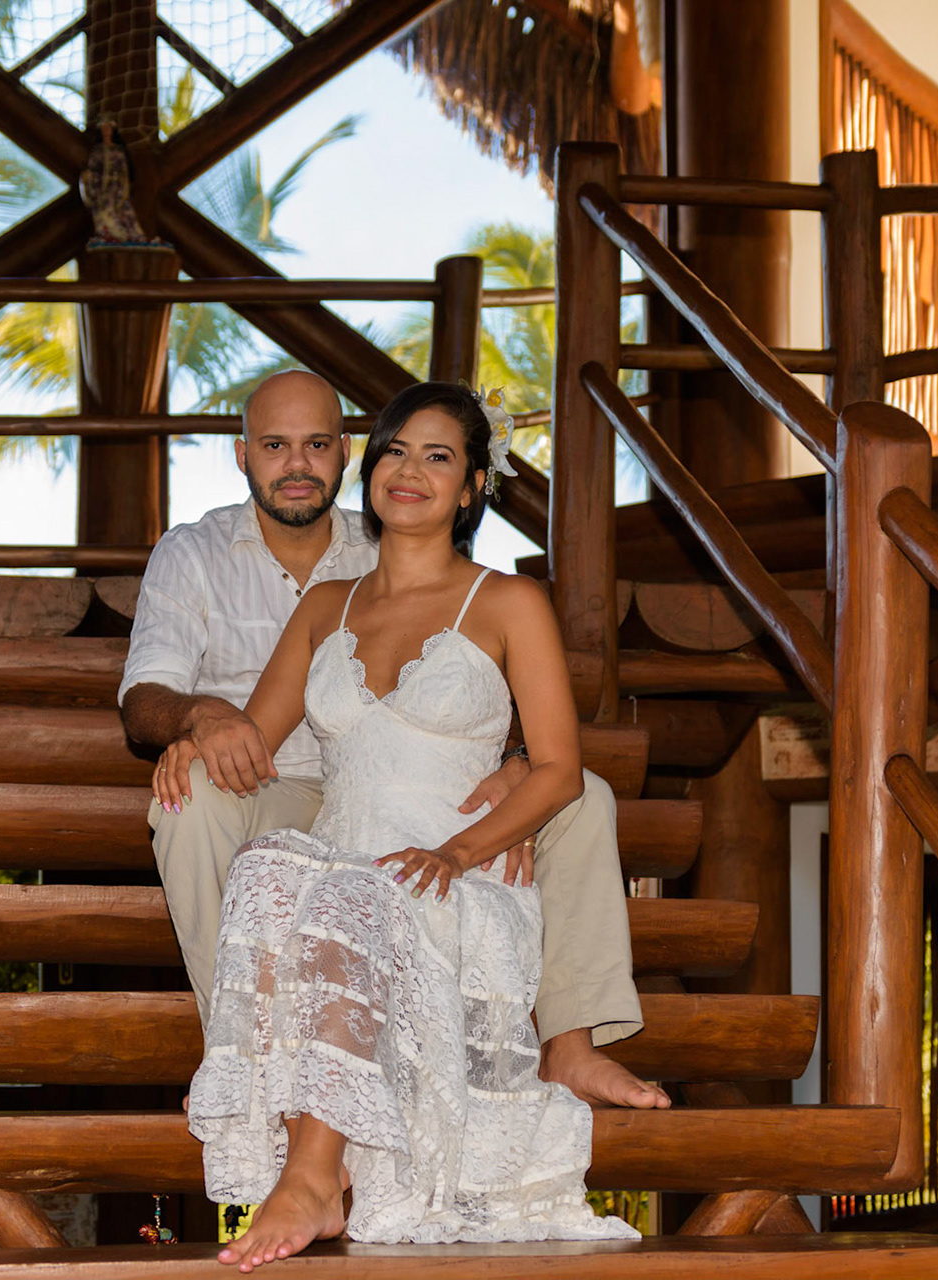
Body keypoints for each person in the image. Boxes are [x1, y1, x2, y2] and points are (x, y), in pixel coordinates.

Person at [158, 382, 641, 1266]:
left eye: (438, 456)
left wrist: (459, 850)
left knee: (362, 896)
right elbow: (254, 744)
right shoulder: (324, 608)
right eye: (393, 452)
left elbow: (562, 767)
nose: (408, 470)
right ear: (369, 471)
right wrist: (197, 732)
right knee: (274, 867)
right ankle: (301, 1147)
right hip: (346, 854)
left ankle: (310, 1178)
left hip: (452, 871)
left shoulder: (509, 603)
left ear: (471, 490)